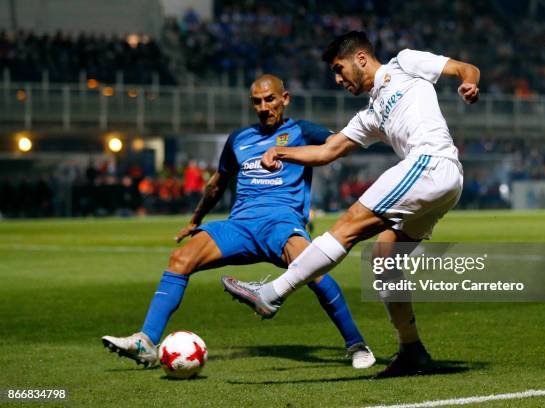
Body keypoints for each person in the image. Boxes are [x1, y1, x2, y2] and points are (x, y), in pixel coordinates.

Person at [222, 31, 480, 378]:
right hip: (443, 181)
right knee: (384, 259)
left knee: (349, 224)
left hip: (431, 163)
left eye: (339, 69)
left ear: (361, 58)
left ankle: (272, 292)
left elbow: (466, 68)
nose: (338, 79)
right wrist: (280, 151)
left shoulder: (404, 63)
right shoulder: (370, 115)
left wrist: (469, 84)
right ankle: (412, 350)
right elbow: (328, 151)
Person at [102, 74, 375, 369]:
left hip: (281, 224)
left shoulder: (302, 131)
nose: (263, 107)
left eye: (270, 99)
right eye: (256, 102)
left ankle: (356, 344)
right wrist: (195, 220)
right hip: (240, 225)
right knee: (180, 258)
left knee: (316, 271)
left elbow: (340, 145)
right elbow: (216, 185)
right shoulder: (239, 139)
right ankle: (147, 341)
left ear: (285, 99)